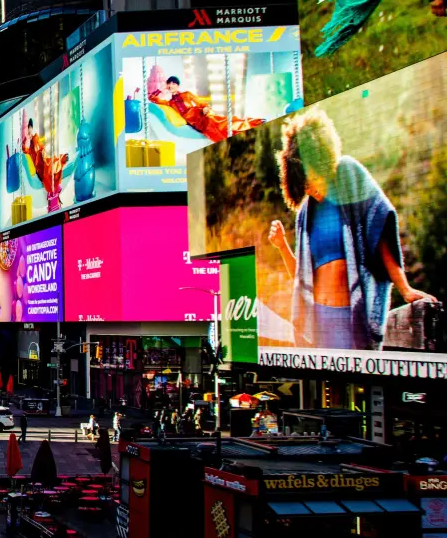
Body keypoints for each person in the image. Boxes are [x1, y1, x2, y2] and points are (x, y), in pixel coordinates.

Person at [268, 109, 438, 351]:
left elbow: (379, 230)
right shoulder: (306, 214)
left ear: (320, 159)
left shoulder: (348, 175)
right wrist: (282, 246)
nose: (309, 189)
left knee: (356, 387)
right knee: (325, 388)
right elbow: (302, 277)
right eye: (302, 186)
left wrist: (405, 288)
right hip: (317, 321)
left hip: (349, 317)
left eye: (310, 179)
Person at [149, 75, 263, 143]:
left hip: (200, 113)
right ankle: (245, 129)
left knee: (219, 122)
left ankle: (252, 123)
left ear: (177, 85)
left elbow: (201, 103)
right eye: (169, 84)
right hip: (193, 121)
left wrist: (206, 108)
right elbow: (152, 98)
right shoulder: (170, 102)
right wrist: (161, 88)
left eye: (173, 83)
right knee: (214, 128)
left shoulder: (187, 94)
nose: (171, 85)